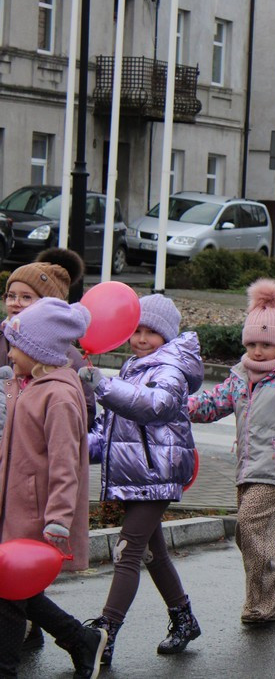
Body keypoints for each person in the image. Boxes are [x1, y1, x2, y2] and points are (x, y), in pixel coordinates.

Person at [77, 294, 203, 665]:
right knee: (152, 552)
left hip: (157, 472)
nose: (142, 339)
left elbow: (154, 406)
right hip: (136, 474)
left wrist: (102, 386)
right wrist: (73, 446)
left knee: (127, 550)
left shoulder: (171, 369)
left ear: (166, 336)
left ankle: (105, 632)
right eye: (136, 331)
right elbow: (111, 430)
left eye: (151, 332)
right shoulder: (133, 367)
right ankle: (184, 618)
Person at [189, 279, 275, 624]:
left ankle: (266, 601)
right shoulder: (240, 376)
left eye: (267, 344)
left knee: (247, 527)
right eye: (253, 344)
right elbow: (211, 404)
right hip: (247, 467)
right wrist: (177, 406)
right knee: (263, 535)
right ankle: (270, 598)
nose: (259, 351)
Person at [0, 298, 107, 679]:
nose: (9, 352)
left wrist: (58, 519)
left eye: (15, 345)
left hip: (37, 510)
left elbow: (66, 466)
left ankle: (6, 668)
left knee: (10, 593)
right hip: (12, 505)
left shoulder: (59, 396)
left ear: (37, 351)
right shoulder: (24, 385)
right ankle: (80, 639)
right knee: (16, 588)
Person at [0, 248, 95, 432]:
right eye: (11, 295)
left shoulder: (67, 356)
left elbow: (84, 410)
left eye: (26, 297)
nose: (15, 302)